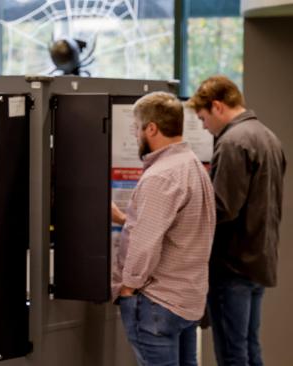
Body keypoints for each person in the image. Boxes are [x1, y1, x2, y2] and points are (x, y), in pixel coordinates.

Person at [111, 92, 216, 365]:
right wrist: (126, 219)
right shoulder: (194, 166)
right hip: (187, 299)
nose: (135, 136)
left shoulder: (160, 176)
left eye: (136, 129)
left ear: (151, 128)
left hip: (157, 302)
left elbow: (145, 244)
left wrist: (128, 287)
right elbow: (181, 229)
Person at [188, 76, 286, 366]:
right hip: (259, 261)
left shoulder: (233, 141)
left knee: (232, 353)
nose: (204, 127)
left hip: (231, 265)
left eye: (203, 118)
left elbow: (222, 207)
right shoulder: (268, 136)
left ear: (217, 106)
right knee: (250, 347)